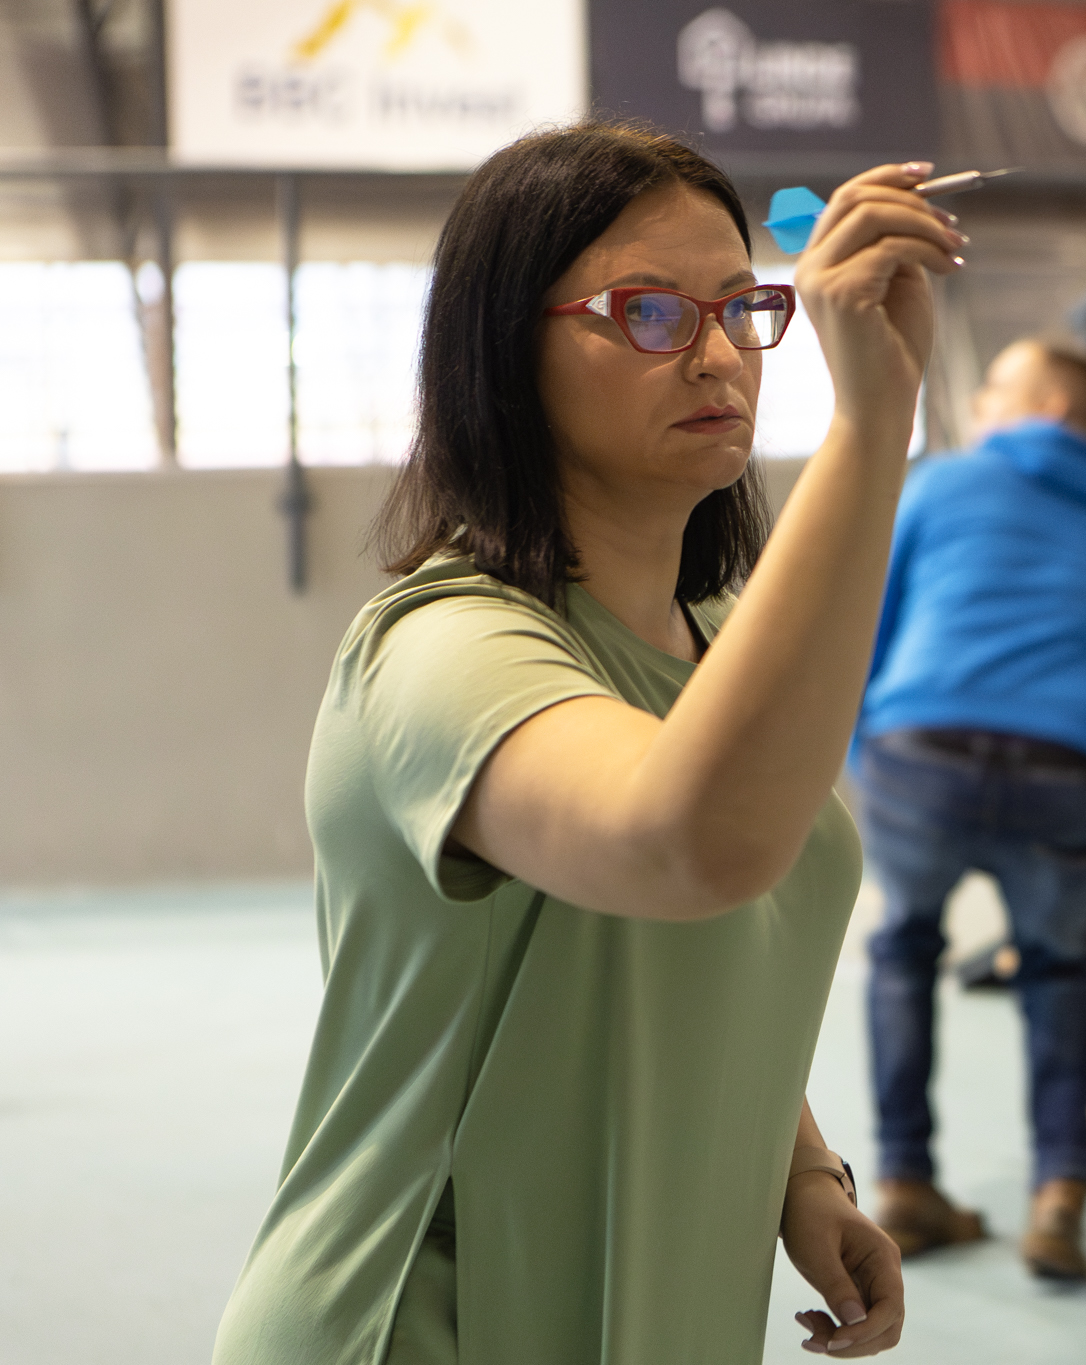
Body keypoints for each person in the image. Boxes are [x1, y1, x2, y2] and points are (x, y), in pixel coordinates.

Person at [212, 124, 965, 1363]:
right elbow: (685, 847)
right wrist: (872, 428)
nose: (717, 355)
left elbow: (689, 953)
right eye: (650, 314)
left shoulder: (723, 636)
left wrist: (801, 1171)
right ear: (507, 354)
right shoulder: (442, 654)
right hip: (423, 1326)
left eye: (740, 308)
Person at [855, 339, 1086, 1282]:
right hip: (1067, 769)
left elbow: (868, 628)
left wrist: (865, 752)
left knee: (905, 950)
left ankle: (905, 1182)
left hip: (921, 750)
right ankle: (1059, 1198)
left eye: (997, 388)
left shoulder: (941, 484)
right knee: (1058, 970)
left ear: (1050, 403)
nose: (980, 406)